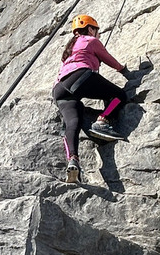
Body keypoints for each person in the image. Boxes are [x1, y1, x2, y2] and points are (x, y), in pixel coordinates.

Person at [52, 14, 133, 183]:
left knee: (73, 122)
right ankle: (103, 120)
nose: (99, 34)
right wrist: (124, 71)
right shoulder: (90, 40)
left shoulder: (70, 49)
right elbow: (108, 58)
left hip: (59, 89)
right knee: (118, 96)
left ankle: (73, 160)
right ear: (90, 29)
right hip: (80, 77)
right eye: (97, 30)